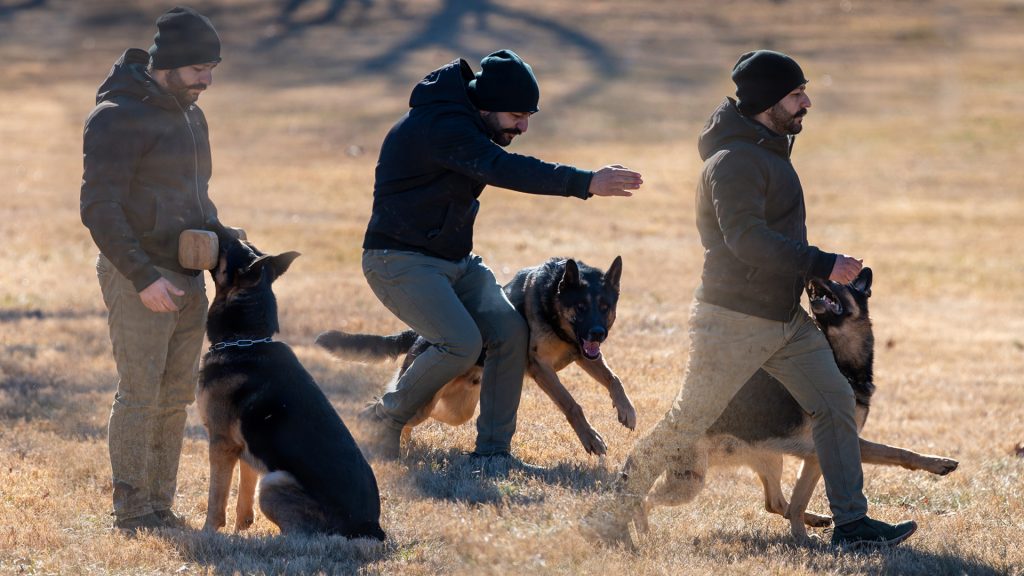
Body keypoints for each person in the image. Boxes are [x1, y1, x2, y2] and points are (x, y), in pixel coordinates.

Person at [584, 50, 917, 548]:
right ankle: (606, 517)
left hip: (784, 317)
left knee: (834, 402)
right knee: (687, 421)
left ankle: (851, 525)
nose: (807, 102)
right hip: (733, 319)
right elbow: (746, 241)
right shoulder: (734, 162)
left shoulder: (768, 148)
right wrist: (822, 262)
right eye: (796, 94)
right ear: (766, 103)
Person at [357, 50, 643, 469]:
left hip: (455, 260)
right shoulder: (443, 126)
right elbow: (502, 168)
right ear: (485, 105)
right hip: (398, 259)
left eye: (529, 116)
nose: (524, 126)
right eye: (516, 115)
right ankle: (385, 418)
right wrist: (585, 182)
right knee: (460, 342)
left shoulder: (469, 122)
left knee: (511, 332)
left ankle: (493, 454)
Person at [80, 6, 233, 532]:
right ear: (167, 64)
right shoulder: (116, 117)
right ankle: (132, 510)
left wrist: (232, 248)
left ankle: (160, 507)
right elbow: (99, 208)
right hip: (138, 273)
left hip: (188, 271)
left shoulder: (190, 114)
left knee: (174, 396)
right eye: (198, 70)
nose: (207, 81)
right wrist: (144, 278)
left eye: (213, 68)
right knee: (141, 393)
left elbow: (199, 199)